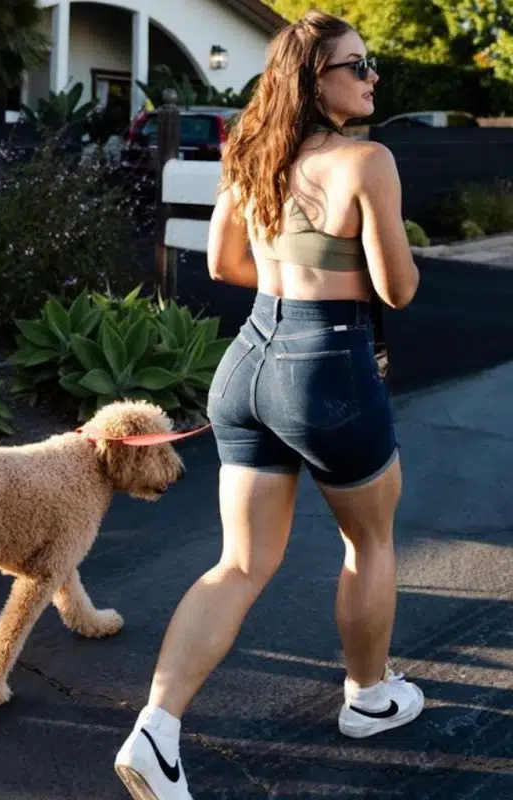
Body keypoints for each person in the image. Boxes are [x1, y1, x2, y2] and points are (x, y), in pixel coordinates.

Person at [112, 10, 423, 800]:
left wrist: (296, 279)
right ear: (315, 81)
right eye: (358, 65)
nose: (372, 76)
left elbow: (223, 261)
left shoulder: (251, 150)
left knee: (241, 562)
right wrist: (346, 273)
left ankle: (156, 731)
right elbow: (398, 289)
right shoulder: (368, 161)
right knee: (372, 540)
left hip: (247, 363)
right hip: (330, 368)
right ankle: (370, 696)